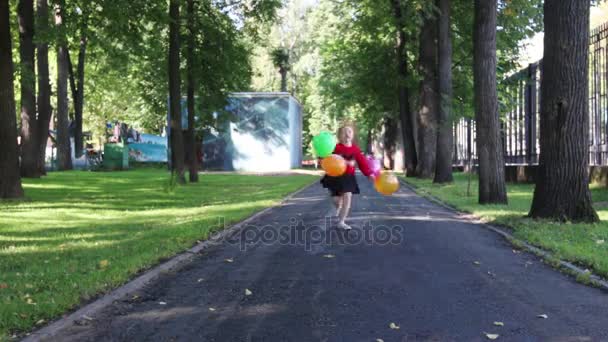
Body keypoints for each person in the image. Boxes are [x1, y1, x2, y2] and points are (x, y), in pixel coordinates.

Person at [320, 124, 375, 230]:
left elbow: (362, 163)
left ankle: (341, 221)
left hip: (348, 177)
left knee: (348, 196)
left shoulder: (355, 150)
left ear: (353, 135)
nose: (347, 134)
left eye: (349, 132)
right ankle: (338, 207)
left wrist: (369, 174)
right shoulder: (335, 147)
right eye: (344, 132)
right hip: (334, 177)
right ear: (340, 135)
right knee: (336, 200)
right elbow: (326, 158)